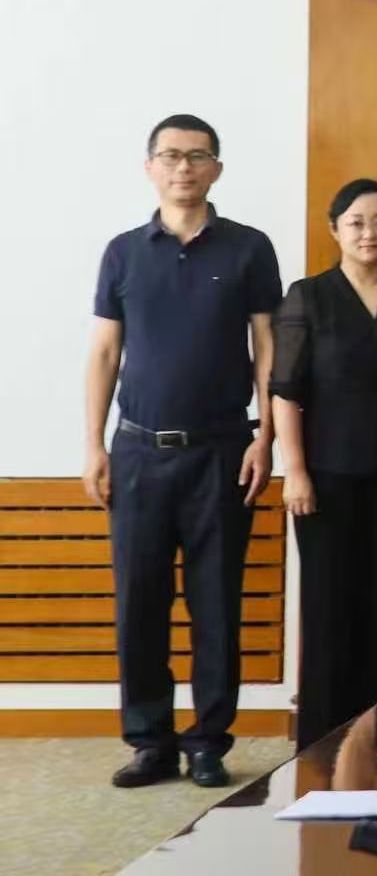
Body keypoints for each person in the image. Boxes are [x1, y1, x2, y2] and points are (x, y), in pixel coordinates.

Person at [85, 114, 282, 788]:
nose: (183, 167)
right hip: (137, 452)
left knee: (215, 603)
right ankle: (150, 742)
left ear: (216, 169)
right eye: (170, 156)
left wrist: (267, 436)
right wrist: (93, 445)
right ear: (150, 167)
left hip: (222, 451)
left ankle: (207, 743)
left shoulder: (249, 248)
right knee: (140, 603)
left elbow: (267, 348)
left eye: (197, 156)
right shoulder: (123, 252)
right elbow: (105, 352)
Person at [270, 179, 377, 748]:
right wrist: (294, 470)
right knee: (327, 610)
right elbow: (285, 392)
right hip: (324, 479)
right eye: (357, 222)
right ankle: (319, 745)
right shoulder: (308, 296)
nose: (370, 233)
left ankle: (373, 738)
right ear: (335, 228)